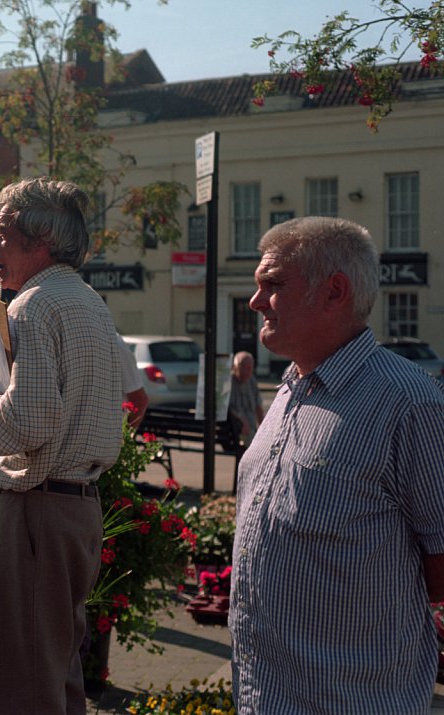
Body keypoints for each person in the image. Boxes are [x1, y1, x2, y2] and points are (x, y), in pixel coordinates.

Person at [231, 216, 444, 713]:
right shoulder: (289, 386)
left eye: (273, 285)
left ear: (334, 293)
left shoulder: (407, 402)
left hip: (353, 699)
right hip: (264, 694)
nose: (256, 301)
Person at [0, 178, 123, 714]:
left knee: (27, 681)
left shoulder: (32, 306)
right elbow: (51, 417)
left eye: (2, 233)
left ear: (40, 241)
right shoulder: (88, 302)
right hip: (76, 509)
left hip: (38, 511)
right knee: (57, 670)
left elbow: (26, 425)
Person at [226, 350, 263, 445]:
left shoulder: (252, 381)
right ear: (235, 368)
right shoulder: (228, 382)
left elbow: (258, 407)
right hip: (235, 430)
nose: (247, 372)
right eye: (243, 368)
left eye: (250, 368)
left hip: (251, 428)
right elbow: (228, 408)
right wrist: (242, 422)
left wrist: (263, 427)